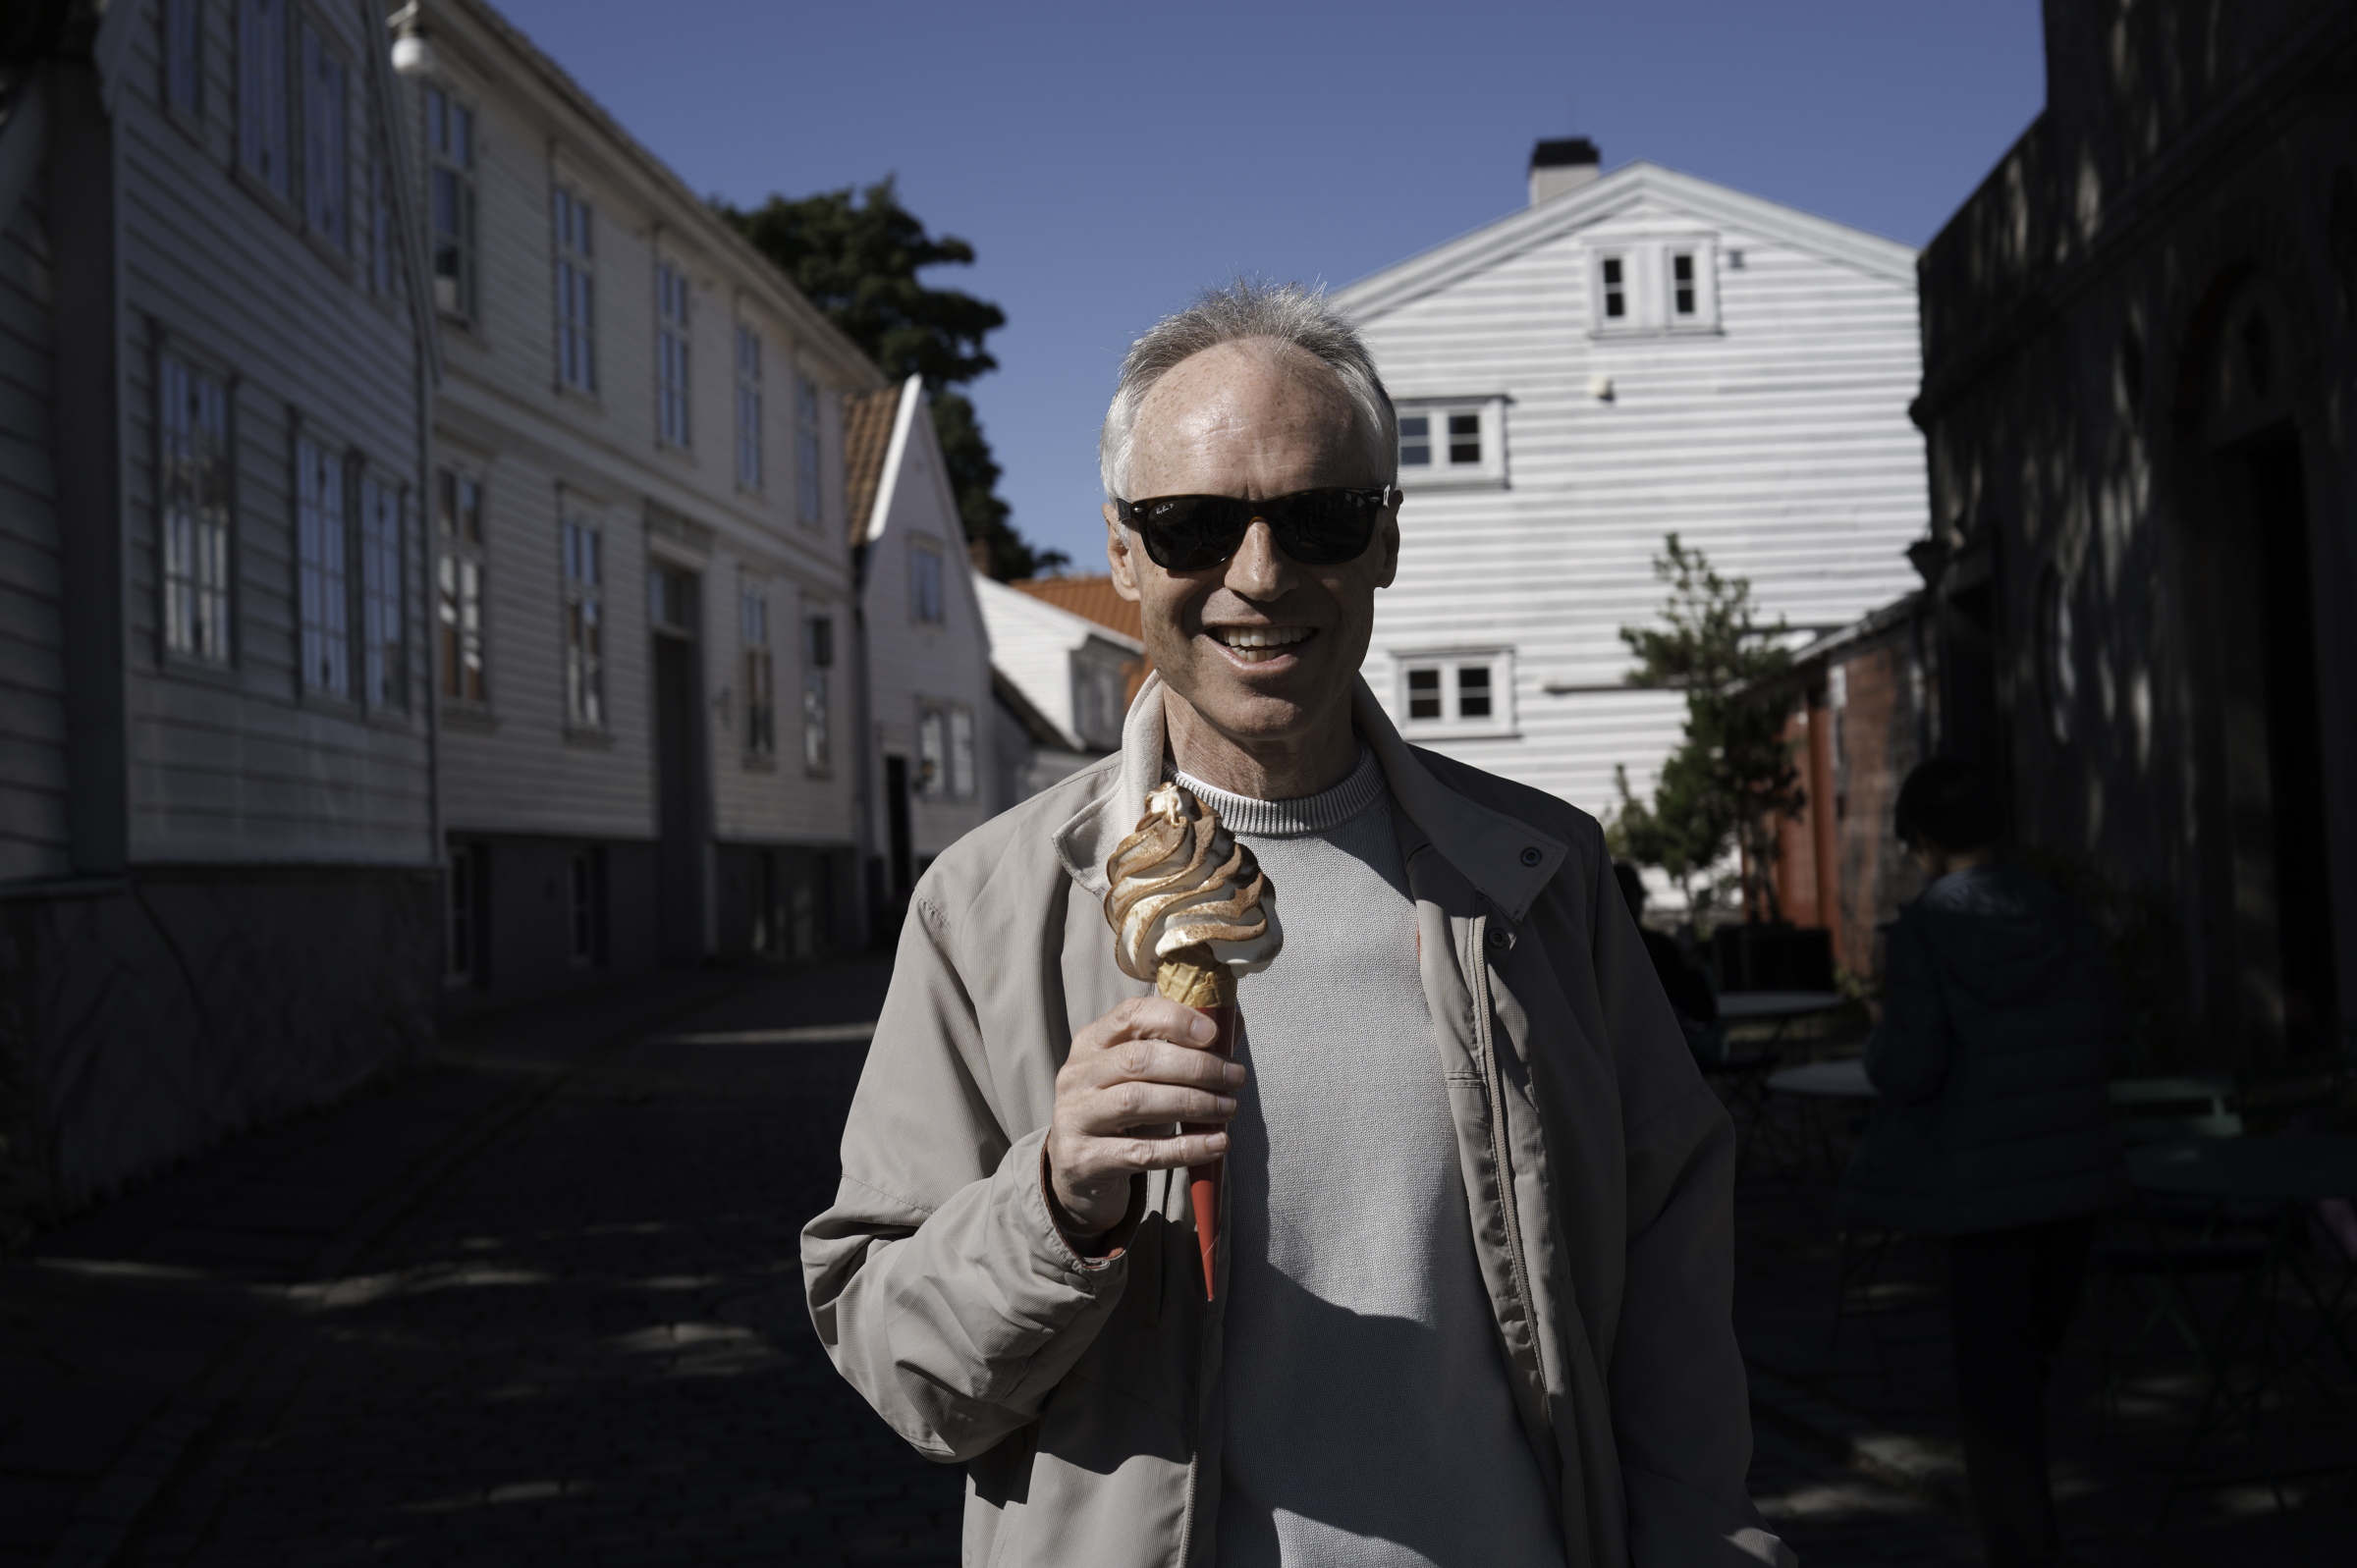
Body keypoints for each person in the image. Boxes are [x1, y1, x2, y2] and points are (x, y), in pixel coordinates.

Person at [804, 282, 1789, 1568]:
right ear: (1121, 553)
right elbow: (898, 1357)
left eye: (1317, 519)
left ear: (1385, 538)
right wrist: (1054, 1205)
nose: (1259, 578)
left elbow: (1671, 1319)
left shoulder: (1537, 883)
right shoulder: (988, 906)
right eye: (1195, 527)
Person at [1841, 758, 2129, 1568]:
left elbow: (1912, 1068)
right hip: (2073, 1171)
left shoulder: (1927, 935)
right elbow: (2110, 1032)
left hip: (1981, 1188)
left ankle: (2025, 1552)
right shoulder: (2066, 916)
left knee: (1995, 1401)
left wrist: (1878, 1035)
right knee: (2031, 1369)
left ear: (1923, 839)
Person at [1614, 862, 1721, 1060]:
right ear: (1636, 899)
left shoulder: (1582, 953)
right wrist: (1690, 965)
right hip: (1657, 1059)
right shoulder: (1655, 948)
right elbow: (1702, 1009)